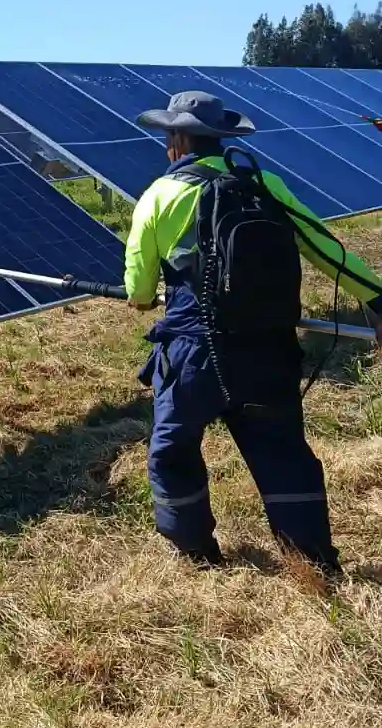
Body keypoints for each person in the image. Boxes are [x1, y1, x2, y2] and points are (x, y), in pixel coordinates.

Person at [125, 89, 382, 575]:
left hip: (194, 356)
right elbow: (326, 249)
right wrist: (377, 299)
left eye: (167, 136)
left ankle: (196, 551)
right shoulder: (264, 184)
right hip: (267, 352)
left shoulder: (159, 195)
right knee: (283, 452)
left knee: (172, 450)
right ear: (221, 139)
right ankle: (313, 561)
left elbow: (138, 288)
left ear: (179, 138)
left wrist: (142, 296)